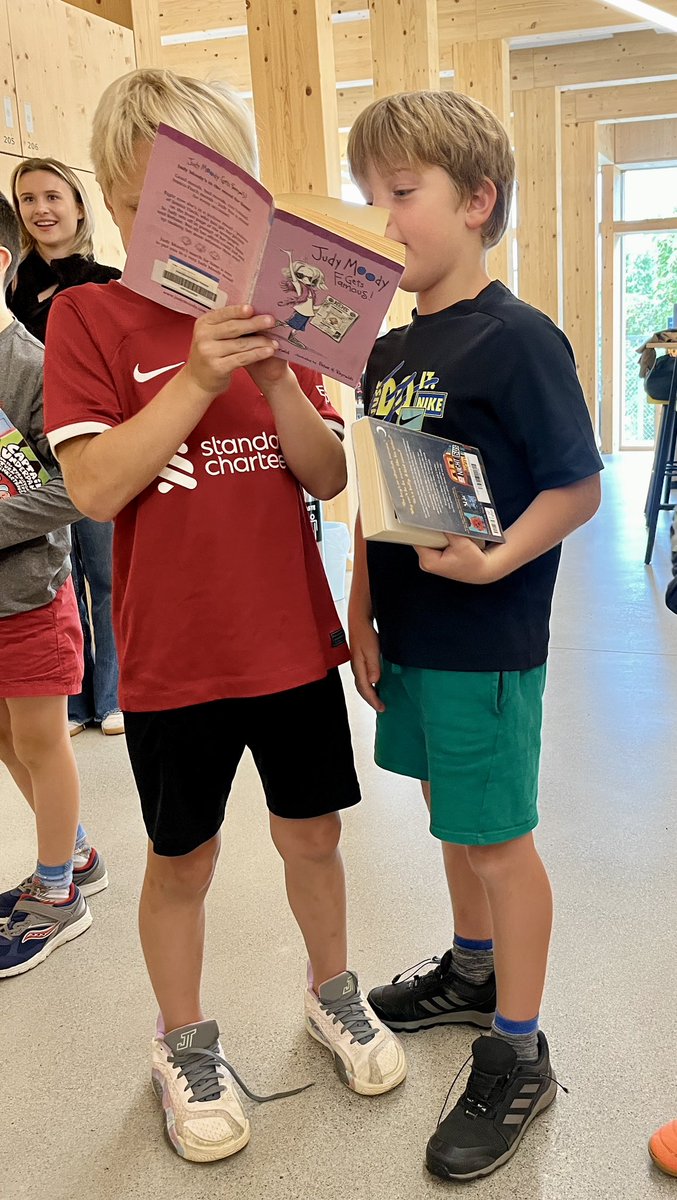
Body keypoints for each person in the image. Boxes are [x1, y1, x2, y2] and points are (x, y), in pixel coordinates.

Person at [43, 68, 405, 1165]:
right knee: (182, 859)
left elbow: (329, 477)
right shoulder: (88, 317)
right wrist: (195, 381)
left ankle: (329, 992)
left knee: (313, 836)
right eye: (165, 180)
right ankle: (182, 1041)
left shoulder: (277, 307)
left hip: (288, 641)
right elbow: (97, 489)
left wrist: (286, 375)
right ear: (121, 191)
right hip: (174, 656)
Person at [346, 90, 603, 1182]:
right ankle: (468, 968)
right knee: (448, 816)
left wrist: (499, 559)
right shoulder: (389, 347)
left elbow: (576, 486)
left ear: (474, 200)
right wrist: (358, 612)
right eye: (372, 195)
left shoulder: (516, 336)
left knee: (496, 835)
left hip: (485, 635)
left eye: (401, 193)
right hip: (409, 636)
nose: (382, 215)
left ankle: (518, 1045)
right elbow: (368, 485)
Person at [0, 191, 107, 977]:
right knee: (6, 737)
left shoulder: (31, 365)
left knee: (42, 739)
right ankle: (71, 854)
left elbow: (78, 484)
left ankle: (58, 895)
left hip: (31, 596)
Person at [8, 157, 123, 737]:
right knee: (55, 575)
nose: (41, 209)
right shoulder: (9, 289)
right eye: (28, 199)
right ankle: (72, 700)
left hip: (95, 442)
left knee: (105, 575)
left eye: (53, 196)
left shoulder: (109, 282)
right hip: (28, 449)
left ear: (80, 205)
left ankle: (112, 697)